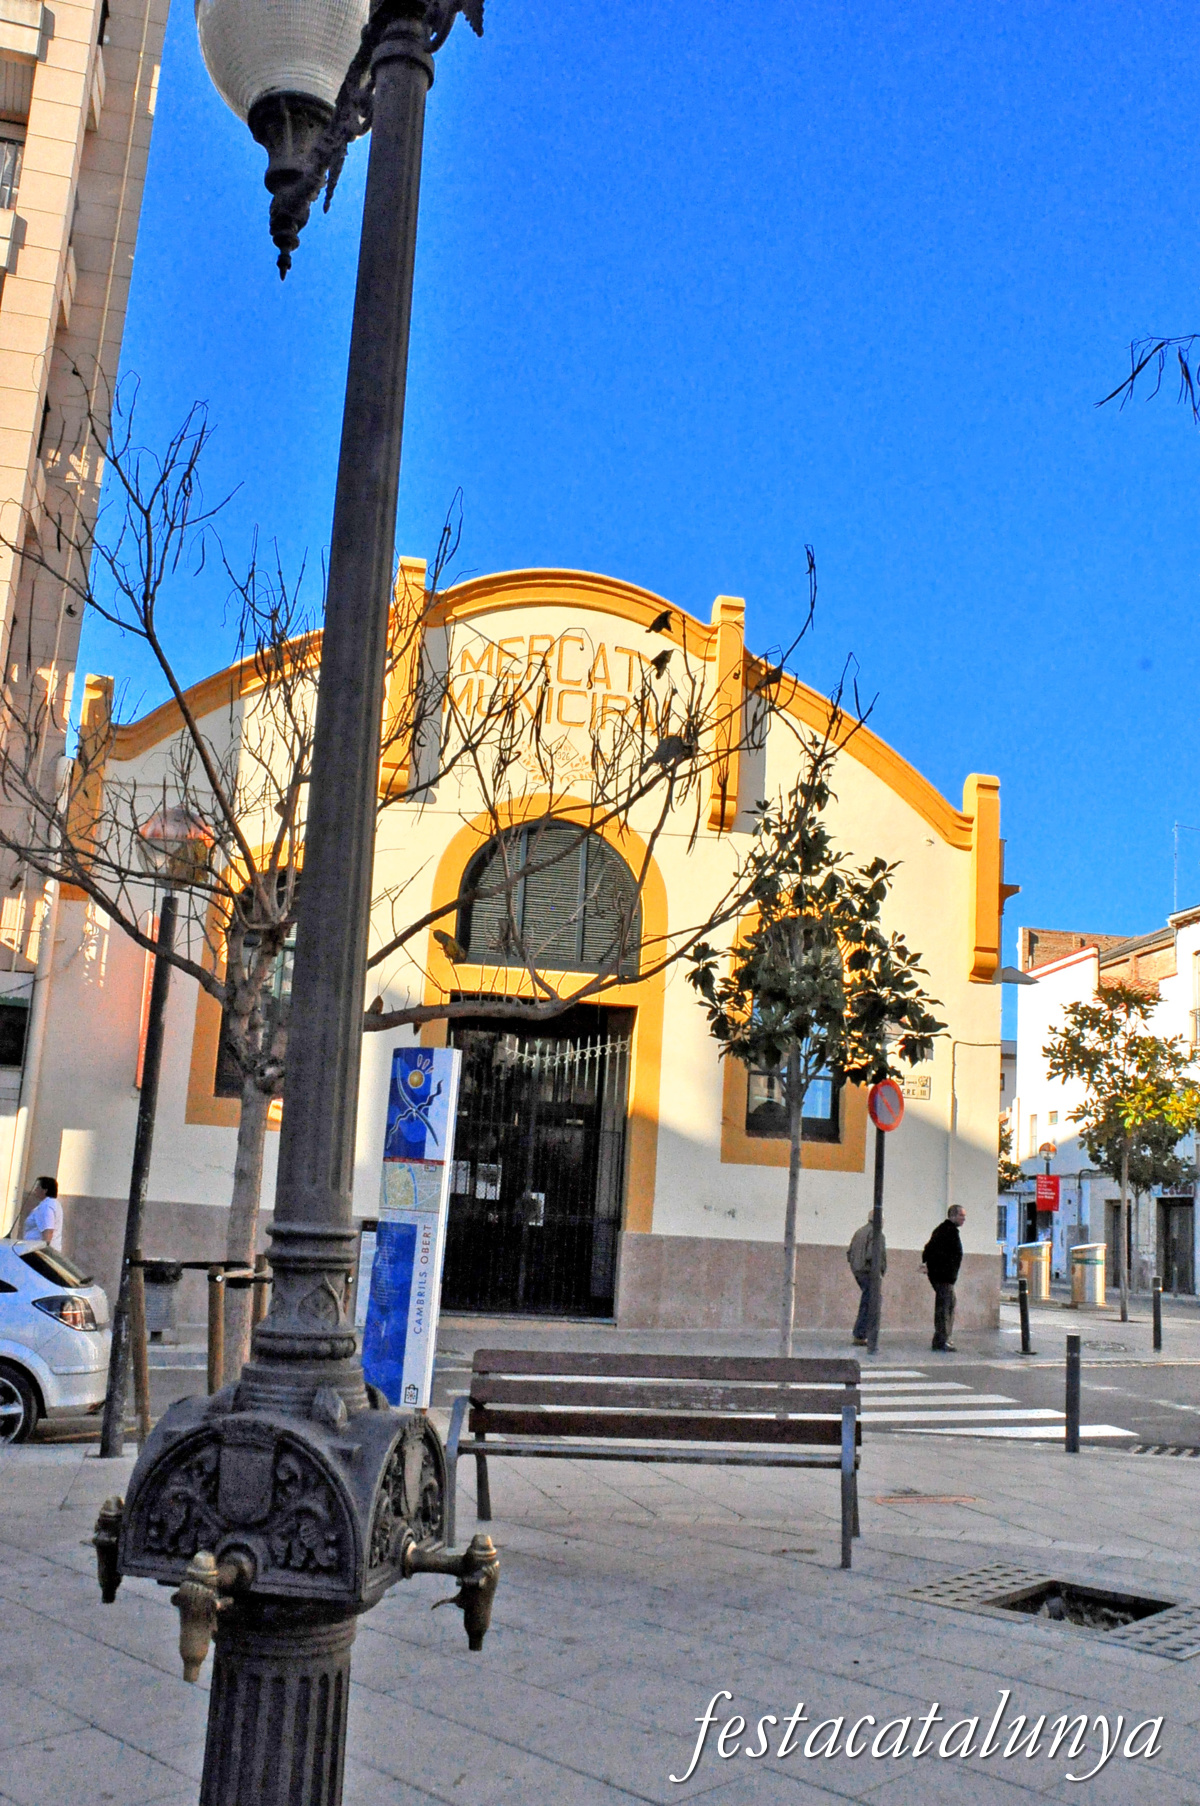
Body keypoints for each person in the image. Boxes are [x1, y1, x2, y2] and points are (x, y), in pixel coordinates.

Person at [922, 1204, 965, 1351]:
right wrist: (940, 1269)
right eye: (961, 1215)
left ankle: (942, 1339)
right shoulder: (947, 1231)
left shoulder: (945, 1230)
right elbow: (931, 1251)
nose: (963, 1218)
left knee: (948, 1305)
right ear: (952, 1216)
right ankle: (942, 1340)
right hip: (944, 1277)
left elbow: (928, 1250)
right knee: (945, 1307)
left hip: (944, 1276)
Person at [846, 1218, 886, 1345]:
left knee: (867, 1301)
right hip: (869, 1272)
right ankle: (861, 1334)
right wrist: (879, 1271)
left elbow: (849, 1252)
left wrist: (855, 1266)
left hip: (858, 1271)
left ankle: (861, 1334)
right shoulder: (877, 1233)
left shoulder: (859, 1232)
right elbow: (872, 1254)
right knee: (871, 1303)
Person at [14, 1176, 61, 1250]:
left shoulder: (46, 1206)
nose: (35, 1190)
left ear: (45, 1190)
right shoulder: (53, 1203)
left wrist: (43, 1252)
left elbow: (48, 1233)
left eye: (38, 1187)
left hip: (36, 1252)